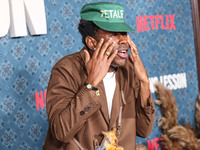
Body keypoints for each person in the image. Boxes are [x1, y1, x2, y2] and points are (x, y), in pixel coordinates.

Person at [43, 2, 155, 150]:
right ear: (91, 42)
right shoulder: (66, 70)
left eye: (124, 33)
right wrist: (91, 82)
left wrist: (144, 82)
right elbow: (61, 132)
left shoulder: (129, 69)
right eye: (114, 34)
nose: (123, 40)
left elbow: (144, 130)